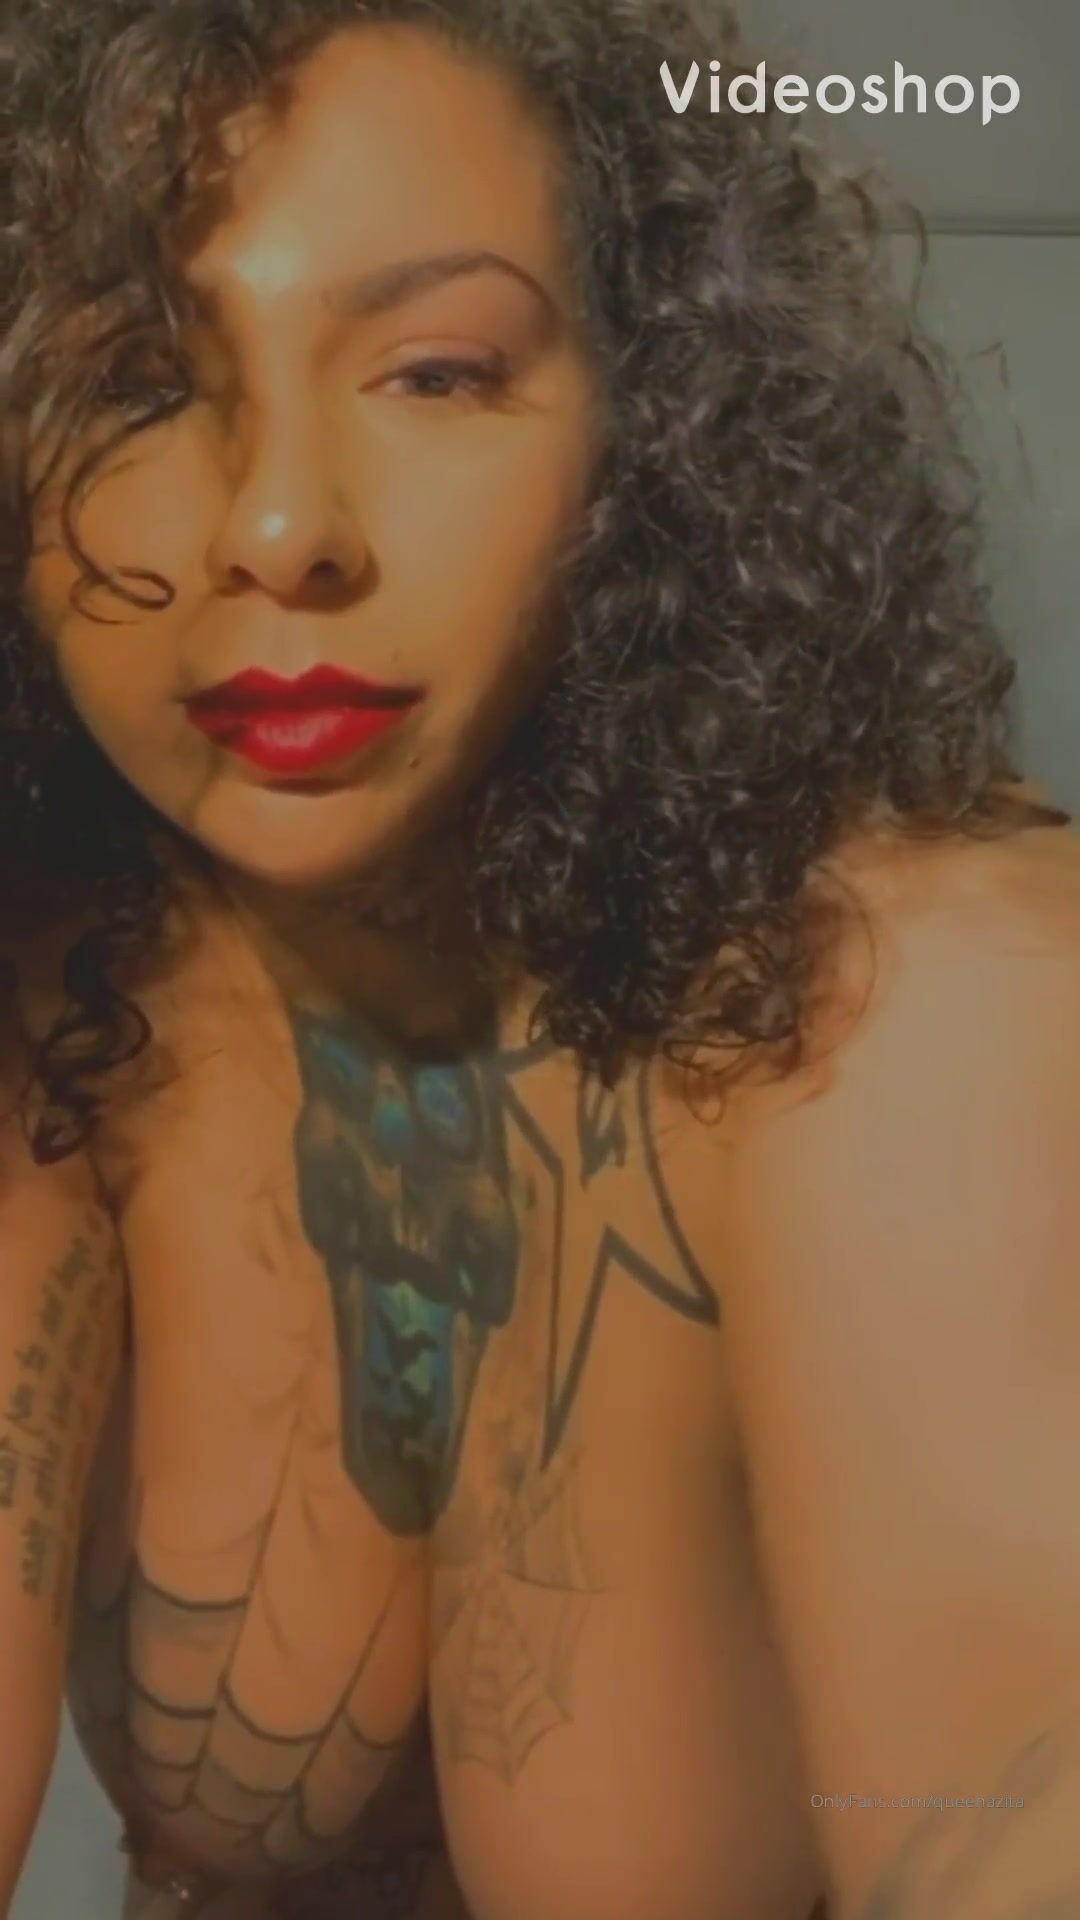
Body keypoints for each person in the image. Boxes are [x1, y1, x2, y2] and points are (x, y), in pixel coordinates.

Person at [1, 0, 1078, 1915]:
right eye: (140, 382)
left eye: (433, 372)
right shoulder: (56, 984)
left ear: (655, 427)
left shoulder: (907, 993)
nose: (280, 527)